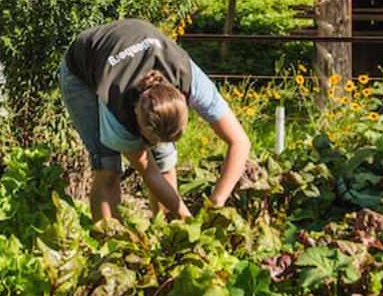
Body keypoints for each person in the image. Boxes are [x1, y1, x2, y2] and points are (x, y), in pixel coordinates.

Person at [59, 18, 250, 221]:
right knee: (108, 168)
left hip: (136, 45)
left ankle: (166, 237)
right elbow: (149, 174)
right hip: (84, 67)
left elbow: (240, 142)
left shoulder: (190, 80)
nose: (155, 144)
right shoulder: (119, 107)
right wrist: (190, 222)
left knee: (165, 162)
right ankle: (107, 245)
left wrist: (215, 203)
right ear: (137, 117)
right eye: (152, 137)